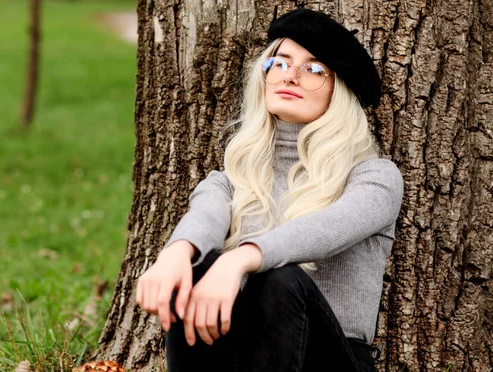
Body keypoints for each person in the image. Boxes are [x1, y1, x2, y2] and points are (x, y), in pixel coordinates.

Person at [135, 8, 404, 372]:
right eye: (280, 63)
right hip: (241, 357)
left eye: (313, 69)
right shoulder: (232, 178)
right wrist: (175, 255)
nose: (290, 76)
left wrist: (239, 258)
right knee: (197, 264)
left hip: (331, 361)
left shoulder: (375, 178)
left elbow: (325, 229)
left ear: (338, 92)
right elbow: (205, 216)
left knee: (280, 277)